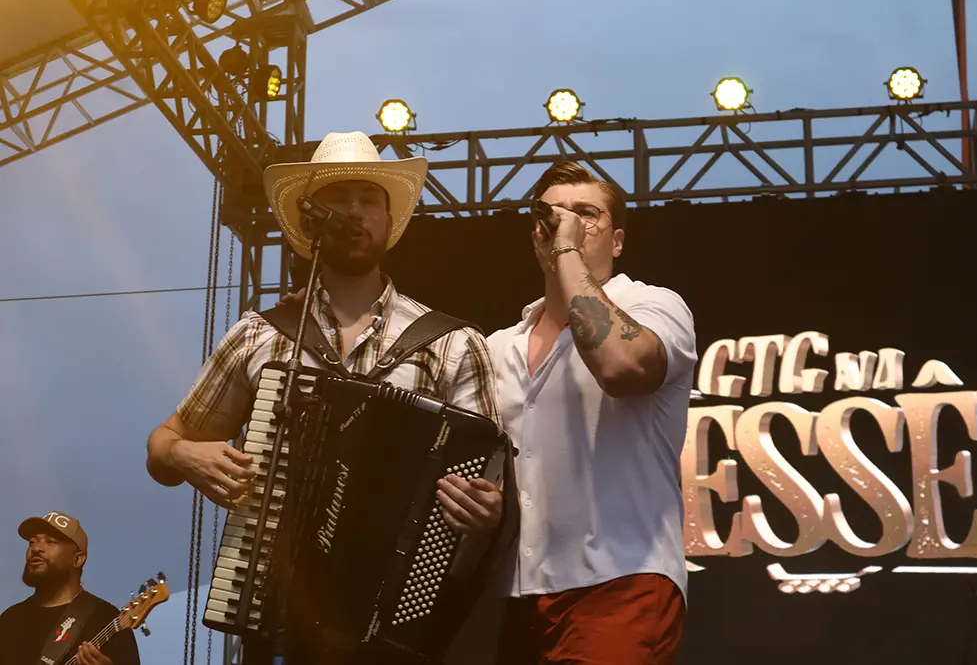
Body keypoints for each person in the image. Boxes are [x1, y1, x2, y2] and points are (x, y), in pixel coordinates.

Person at [146, 131, 504, 538]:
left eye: (369, 200)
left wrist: (492, 506)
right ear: (310, 219)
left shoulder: (453, 345)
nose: (354, 211)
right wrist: (182, 454)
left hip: (395, 587)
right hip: (266, 579)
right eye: (338, 198)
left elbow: (491, 484)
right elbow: (162, 445)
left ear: (388, 224)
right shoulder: (257, 335)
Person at [488, 161, 698, 664]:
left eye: (587, 214)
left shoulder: (654, 306)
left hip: (623, 580)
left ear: (618, 241)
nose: (568, 224)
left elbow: (621, 364)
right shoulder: (497, 346)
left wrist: (567, 251)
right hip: (520, 594)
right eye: (553, 215)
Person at [0, 511, 141, 665]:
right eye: (32, 542)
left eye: (50, 541)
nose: (36, 548)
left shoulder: (106, 618)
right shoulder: (10, 618)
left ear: (78, 559)